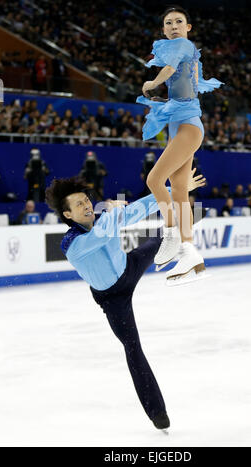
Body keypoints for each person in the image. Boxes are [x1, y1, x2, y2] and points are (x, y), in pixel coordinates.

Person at [45, 171, 206, 430]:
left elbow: (139, 209)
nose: (87, 205)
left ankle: (186, 220)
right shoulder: (72, 244)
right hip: (112, 298)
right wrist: (112, 212)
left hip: (128, 266)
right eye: (79, 205)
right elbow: (100, 237)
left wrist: (175, 188)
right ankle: (157, 412)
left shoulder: (104, 218)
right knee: (133, 348)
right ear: (68, 215)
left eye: (87, 200)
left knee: (163, 237)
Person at [136, 6, 223, 285]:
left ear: (188, 27)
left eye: (179, 22)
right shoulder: (182, 49)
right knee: (181, 191)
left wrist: (152, 81)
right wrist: (164, 101)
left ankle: (171, 232)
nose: (173, 26)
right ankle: (190, 253)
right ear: (163, 29)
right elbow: (183, 88)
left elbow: (170, 69)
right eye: (168, 23)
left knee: (154, 179)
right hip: (181, 126)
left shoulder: (182, 45)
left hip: (188, 127)